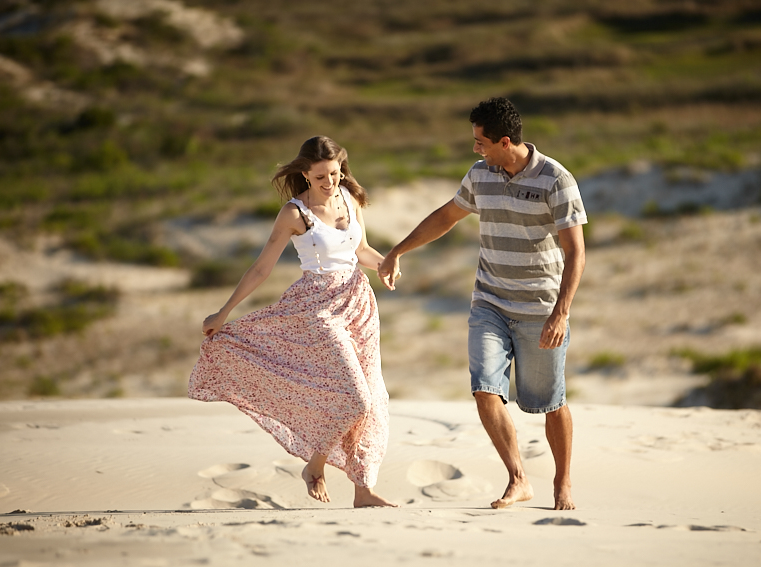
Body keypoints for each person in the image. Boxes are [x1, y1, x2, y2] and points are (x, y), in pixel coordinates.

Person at [378, 97, 587, 511]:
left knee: (550, 401)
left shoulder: (556, 180)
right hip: (489, 302)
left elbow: (576, 252)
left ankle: (563, 482)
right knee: (484, 391)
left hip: (540, 310)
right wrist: (397, 251)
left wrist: (561, 312)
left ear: (504, 141)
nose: (475, 149)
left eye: (480, 142)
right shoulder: (480, 175)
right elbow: (446, 215)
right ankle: (519, 478)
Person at [189, 135, 397, 508]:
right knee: (356, 398)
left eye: (335, 173)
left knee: (373, 397)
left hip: (360, 304)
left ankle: (363, 490)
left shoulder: (348, 196)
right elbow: (261, 268)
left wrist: (385, 263)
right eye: (321, 177)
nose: (330, 182)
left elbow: (361, 249)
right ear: (305, 173)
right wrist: (223, 312)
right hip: (317, 307)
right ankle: (314, 467)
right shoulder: (294, 213)